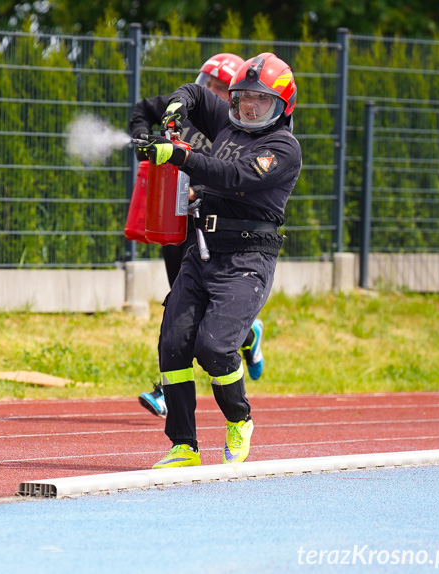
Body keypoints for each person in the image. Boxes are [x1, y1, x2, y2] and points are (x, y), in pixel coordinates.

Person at [134, 52, 301, 467]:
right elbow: (194, 92)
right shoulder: (227, 118)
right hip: (202, 249)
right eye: (243, 96)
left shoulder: (282, 147)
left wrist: (179, 156)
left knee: (214, 347)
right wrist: (177, 107)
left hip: (247, 258)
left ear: (281, 105)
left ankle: (239, 419)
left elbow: (235, 177)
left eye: (260, 100)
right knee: (172, 344)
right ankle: (184, 445)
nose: (248, 105)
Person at [128, 54, 265, 420]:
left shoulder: (231, 126)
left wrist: (196, 188)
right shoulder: (188, 107)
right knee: (181, 302)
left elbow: (230, 175)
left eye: (223, 87)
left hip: (205, 218)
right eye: (210, 83)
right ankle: (249, 334)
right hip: (173, 217)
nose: (213, 92)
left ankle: (164, 393)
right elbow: (143, 109)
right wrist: (143, 139)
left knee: (187, 312)